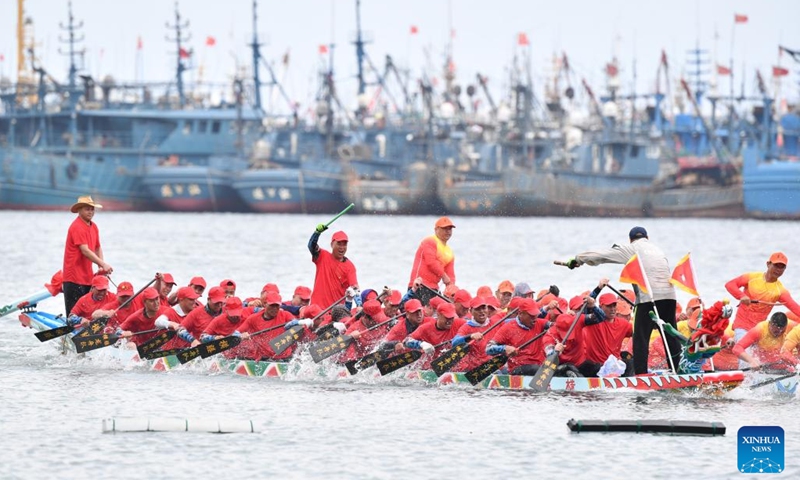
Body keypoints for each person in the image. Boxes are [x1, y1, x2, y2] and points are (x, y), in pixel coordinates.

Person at [567, 226, 679, 375]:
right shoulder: (658, 250)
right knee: (670, 334)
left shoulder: (631, 248)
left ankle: (641, 375)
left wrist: (578, 259)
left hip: (648, 298)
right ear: (647, 238)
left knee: (640, 338)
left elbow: (602, 255)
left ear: (631, 240)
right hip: (670, 296)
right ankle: (678, 370)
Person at [725, 252, 800, 342]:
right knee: (745, 352)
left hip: (759, 330)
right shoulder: (752, 277)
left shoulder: (780, 290)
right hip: (742, 325)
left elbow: (795, 308)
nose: (778, 270)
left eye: (782, 267)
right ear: (768, 264)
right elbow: (730, 284)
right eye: (776, 265)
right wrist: (742, 296)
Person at [62, 195, 113, 317]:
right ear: (79, 210)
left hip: (87, 276)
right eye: (87, 209)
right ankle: (71, 332)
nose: (90, 212)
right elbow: (84, 250)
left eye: (92, 209)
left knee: (88, 311)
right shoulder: (77, 226)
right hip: (73, 277)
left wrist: (101, 266)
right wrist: (103, 264)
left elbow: (97, 247)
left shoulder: (94, 226)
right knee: (73, 314)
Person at [483, 298, 550, 375]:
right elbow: (488, 349)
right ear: (520, 313)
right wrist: (505, 348)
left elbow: (555, 325)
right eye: (531, 315)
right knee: (535, 368)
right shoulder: (507, 328)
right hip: (518, 369)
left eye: (536, 315)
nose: (534, 319)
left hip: (539, 369)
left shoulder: (540, 323)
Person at [407, 217, 456, 303]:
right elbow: (431, 263)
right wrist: (444, 277)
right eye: (445, 229)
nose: (448, 231)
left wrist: (452, 289)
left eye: (450, 229)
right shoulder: (429, 241)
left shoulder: (449, 252)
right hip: (419, 286)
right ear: (436, 229)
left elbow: (450, 275)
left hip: (434, 289)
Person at [309, 225, 359, 310]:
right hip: (316, 310)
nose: (342, 248)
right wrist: (317, 233)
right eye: (339, 244)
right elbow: (311, 246)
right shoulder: (322, 256)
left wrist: (359, 305)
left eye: (344, 244)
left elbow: (355, 288)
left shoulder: (350, 267)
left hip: (335, 313)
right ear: (332, 244)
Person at [733, 312, 797, 369]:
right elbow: (737, 348)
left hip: (787, 368)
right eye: (775, 331)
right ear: (770, 324)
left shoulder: (792, 326)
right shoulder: (759, 330)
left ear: (786, 326)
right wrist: (751, 361)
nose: (779, 334)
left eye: (782, 331)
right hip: (764, 369)